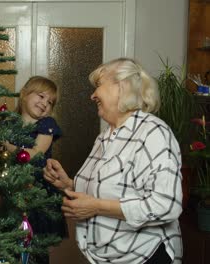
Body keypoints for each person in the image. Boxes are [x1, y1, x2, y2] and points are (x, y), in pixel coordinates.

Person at [43, 58, 183, 264]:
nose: (92, 95)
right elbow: (111, 188)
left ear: (122, 86)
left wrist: (97, 207)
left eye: (98, 86)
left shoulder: (153, 132)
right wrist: (69, 184)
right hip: (106, 258)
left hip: (146, 256)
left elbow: (166, 204)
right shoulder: (104, 137)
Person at [2, 76, 66, 263]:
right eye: (41, 96)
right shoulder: (8, 124)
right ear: (24, 94)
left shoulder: (47, 125)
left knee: (36, 245)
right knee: (9, 241)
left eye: (50, 102)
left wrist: (9, 147)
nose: (45, 103)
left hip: (37, 192)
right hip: (12, 190)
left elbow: (36, 153)